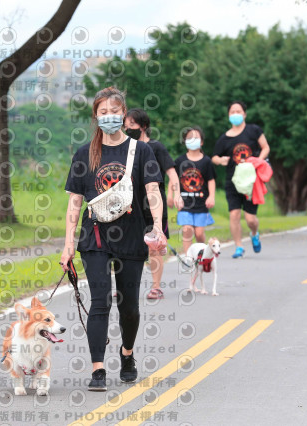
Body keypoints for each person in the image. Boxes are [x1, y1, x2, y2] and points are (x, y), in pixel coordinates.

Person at [61, 87, 166, 392]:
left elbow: (153, 191)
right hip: (95, 237)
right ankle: (98, 368)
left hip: (132, 236)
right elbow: (74, 202)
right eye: (103, 112)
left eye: (114, 111)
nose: (109, 116)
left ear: (124, 113)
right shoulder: (84, 154)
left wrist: (158, 227)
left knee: (129, 305)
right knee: (100, 300)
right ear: (96, 116)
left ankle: (127, 354)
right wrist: (68, 244)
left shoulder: (141, 151)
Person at [124, 108, 183, 300]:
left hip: (153, 207)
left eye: (132, 124)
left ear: (143, 126)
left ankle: (156, 287)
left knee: (153, 247)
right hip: (130, 206)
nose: (128, 128)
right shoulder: (125, 149)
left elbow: (172, 173)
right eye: (125, 125)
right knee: (127, 248)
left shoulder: (156, 147)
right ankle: (125, 287)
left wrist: (177, 194)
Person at [212, 101, 270, 258]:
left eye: (238, 111)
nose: (235, 114)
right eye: (232, 112)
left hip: (251, 181)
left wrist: (258, 161)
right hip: (233, 181)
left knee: (250, 219)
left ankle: (254, 233)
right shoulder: (224, 138)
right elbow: (214, 157)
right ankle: (238, 246)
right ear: (228, 115)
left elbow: (265, 147)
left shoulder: (253, 130)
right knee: (234, 214)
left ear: (244, 114)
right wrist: (220, 160)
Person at [172, 126, 216, 254]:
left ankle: (202, 253)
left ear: (201, 142)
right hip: (185, 203)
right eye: (189, 137)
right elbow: (174, 179)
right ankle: (188, 258)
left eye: (196, 138)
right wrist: (173, 195)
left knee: (199, 233)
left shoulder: (206, 161)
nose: (192, 140)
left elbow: (211, 180)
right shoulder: (180, 161)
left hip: (201, 203)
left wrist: (211, 196)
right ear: (185, 141)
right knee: (187, 230)